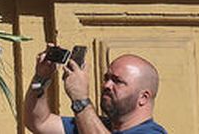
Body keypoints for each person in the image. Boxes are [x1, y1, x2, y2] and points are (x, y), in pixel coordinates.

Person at [23, 46, 167, 134]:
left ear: (144, 97)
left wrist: (80, 99)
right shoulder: (92, 124)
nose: (106, 86)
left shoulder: (151, 132)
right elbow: (39, 122)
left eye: (117, 81)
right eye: (107, 78)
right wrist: (42, 78)